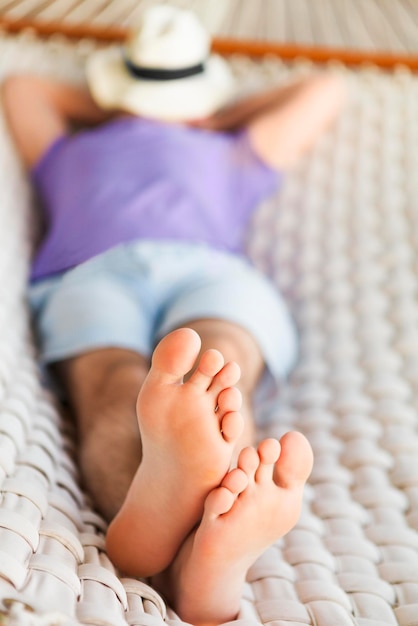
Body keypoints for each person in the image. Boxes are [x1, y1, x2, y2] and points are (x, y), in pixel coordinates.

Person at [2, 6, 345, 625]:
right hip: (94, 271)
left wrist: (203, 116)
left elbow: (327, 87)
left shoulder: (228, 150)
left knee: (213, 371)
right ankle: (198, 555)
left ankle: (173, 530)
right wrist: (142, 106)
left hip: (201, 271)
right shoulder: (71, 149)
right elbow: (19, 86)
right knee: (136, 383)